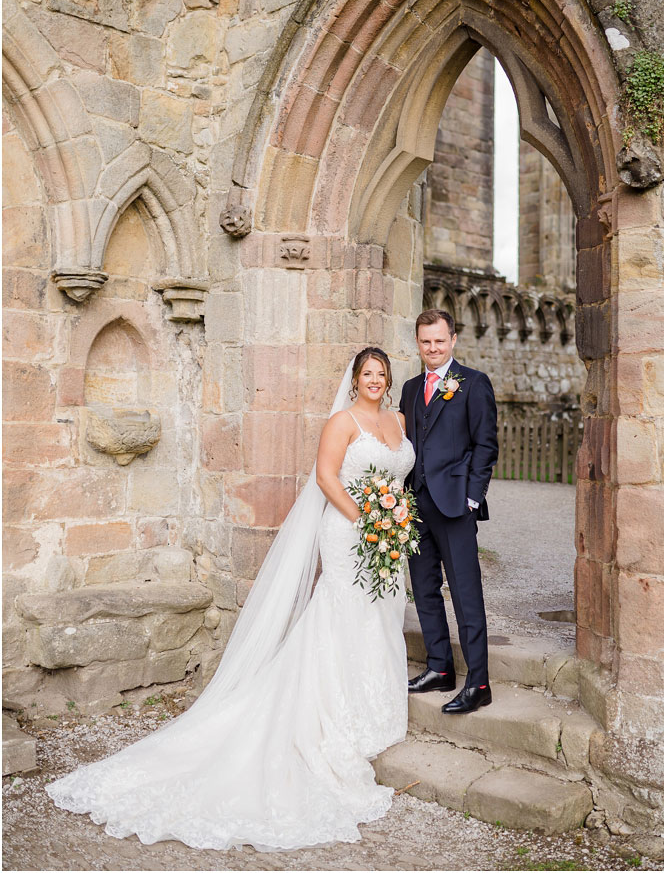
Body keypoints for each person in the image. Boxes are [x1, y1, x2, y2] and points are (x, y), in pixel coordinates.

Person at [47, 348, 415, 850]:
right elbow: (327, 478)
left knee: (382, 612)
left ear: (388, 381)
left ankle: (379, 707)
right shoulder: (341, 422)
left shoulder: (397, 418)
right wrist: (368, 522)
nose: (374, 380)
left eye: (381, 374)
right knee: (345, 613)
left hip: (389, 537)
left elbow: (397, 477)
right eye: (366, 373)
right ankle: (337, 711)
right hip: (353, 532)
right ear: (354, 380)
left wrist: (391, 523)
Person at [401, 309, 499, 713]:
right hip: (415, 504)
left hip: (456, 505)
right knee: (424, 590)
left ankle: (479, 683)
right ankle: (440, 668)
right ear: (418, 343)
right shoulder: (409, 388)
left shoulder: (473, 384)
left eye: (440, 341)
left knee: (465, 593)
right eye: (426, 342)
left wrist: (472, 499)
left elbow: (486, 446)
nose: (433, 349)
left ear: (453, 339)